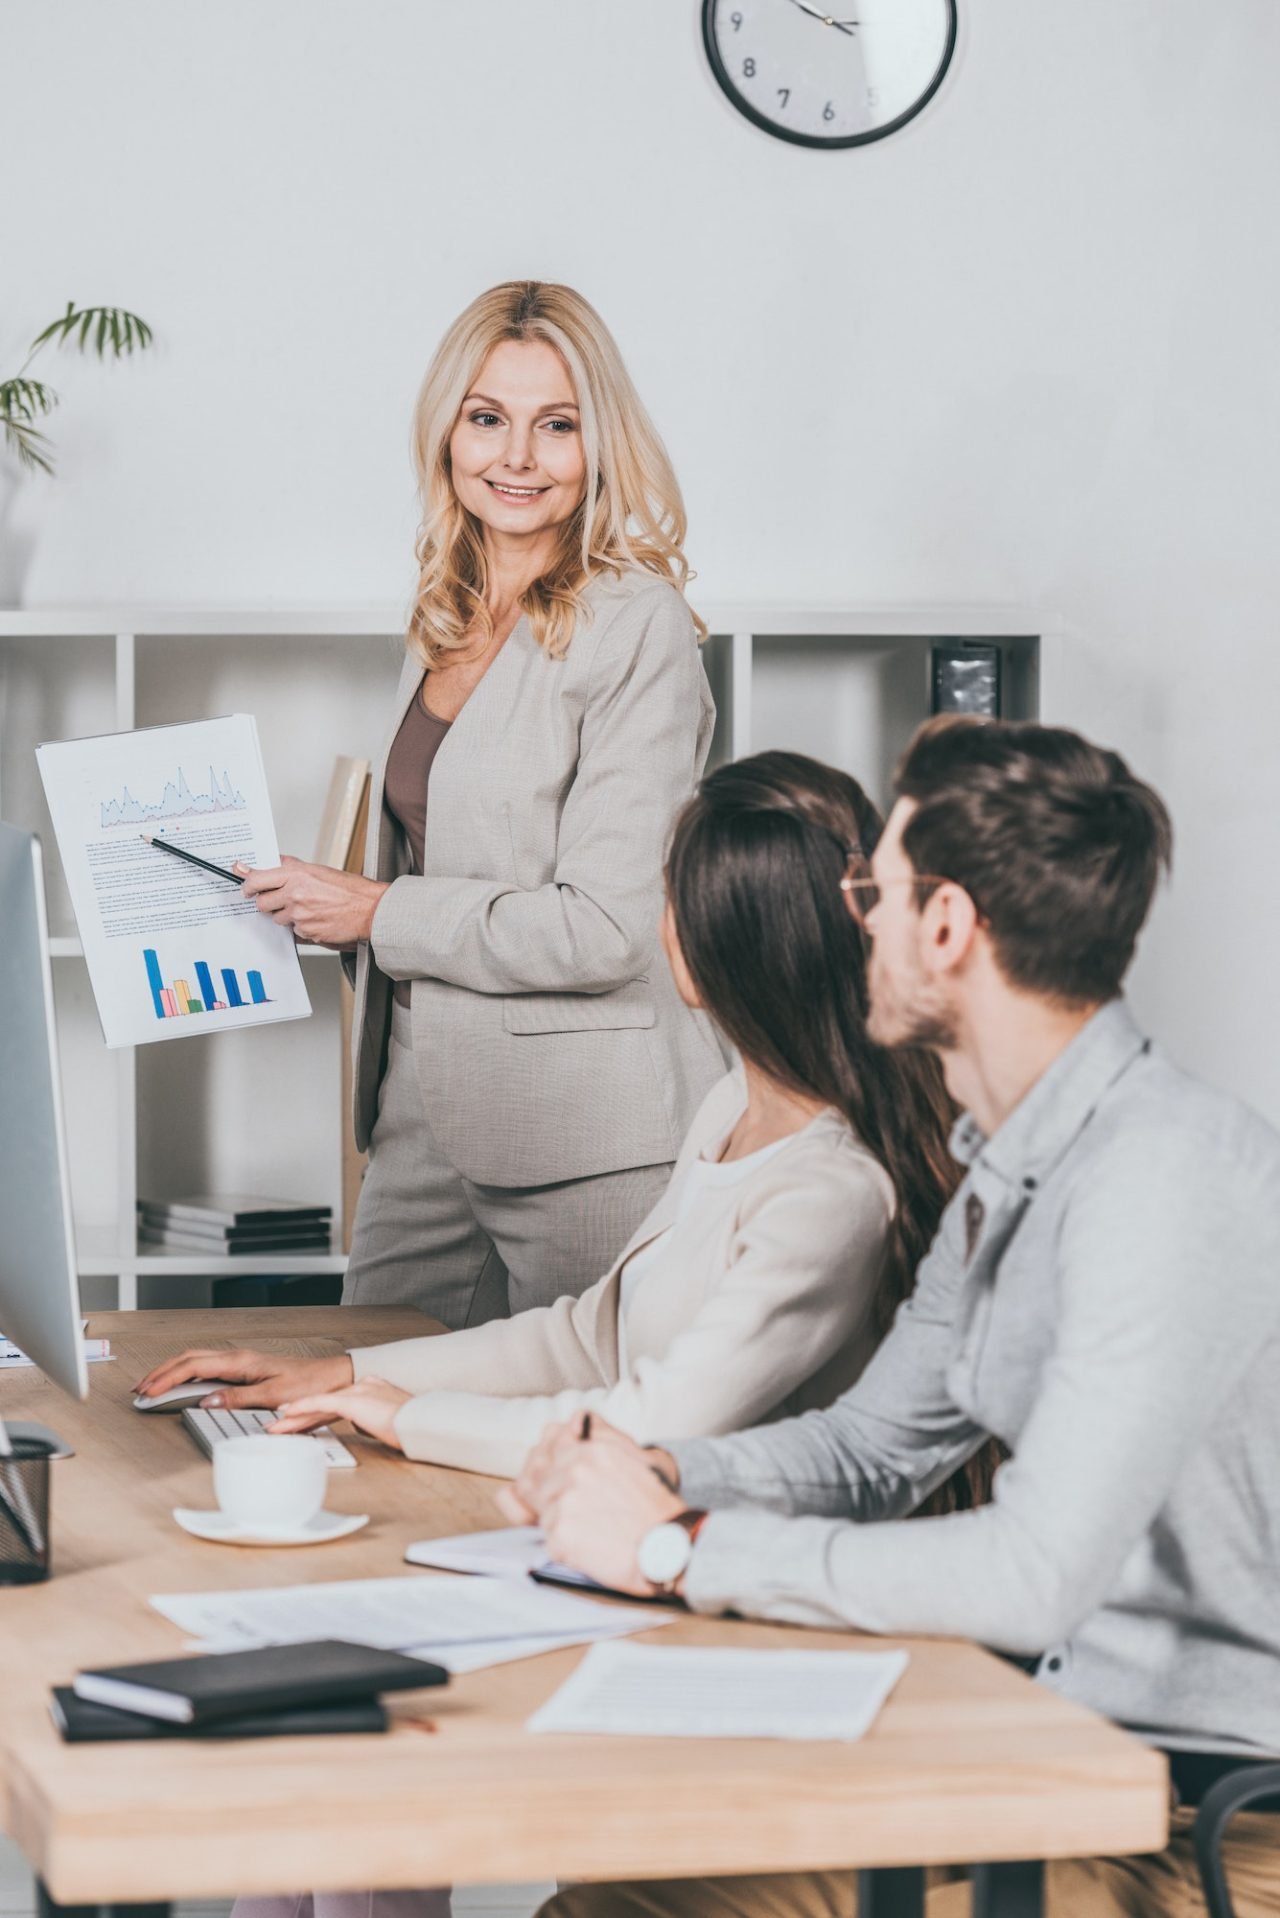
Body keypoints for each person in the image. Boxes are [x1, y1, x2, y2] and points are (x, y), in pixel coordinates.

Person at [507, 716, 1280, 1918]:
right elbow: (868, 1450)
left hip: (1198, 1824)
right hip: (1050, 1759)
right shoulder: (1012, 1169)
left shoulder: (1156, 1179)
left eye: (874, 887)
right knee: (620, 1878)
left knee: (640, 1900)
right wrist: (657, 1466)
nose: (849, 918)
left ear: (946, 927)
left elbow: (1030, 1574)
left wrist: (674, 1548)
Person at [138, 752, 994, 1505]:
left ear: (711, 946)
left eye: (667, 895)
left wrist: (411, 1420)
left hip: (713, 1557)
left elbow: (658, 1422)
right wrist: (352, 1373)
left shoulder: (830, 1191)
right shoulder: (732, 1105)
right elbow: (595, 1335)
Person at [228, 280, 724, 1326]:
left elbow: (607, 925)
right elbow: (439, 853)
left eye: (556, 426)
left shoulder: (640, 629)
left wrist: (375, 913)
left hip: (585, 1132)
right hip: (419, 1105)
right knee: (365, 1415)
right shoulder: (445, 614)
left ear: (600, 445)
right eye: (487, 418)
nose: (516, 458)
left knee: (583, 1443)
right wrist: (318, 902)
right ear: (446, 430)